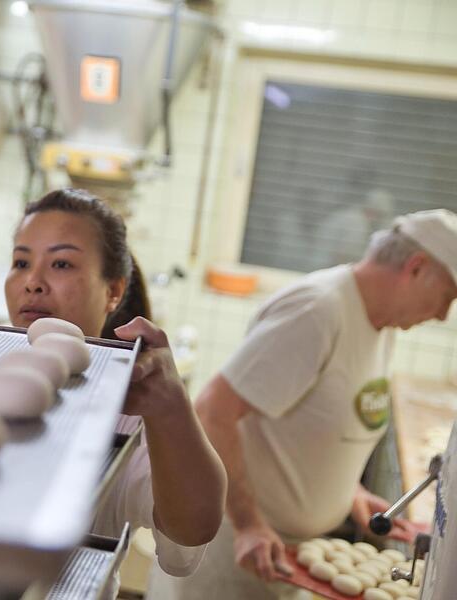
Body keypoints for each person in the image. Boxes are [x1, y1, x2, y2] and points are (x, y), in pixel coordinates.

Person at [148, 209, 457, 600]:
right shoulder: (317, 311)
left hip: (284, 552)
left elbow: (325, 421)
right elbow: (213, 411)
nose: (443, 315)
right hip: (232, 547)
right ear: (416, 268)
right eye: (447, 297)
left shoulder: (380, 322)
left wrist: (349, 492)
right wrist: (248, 524)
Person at [4, 188, 227, 586]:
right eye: (21, 262)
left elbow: (192, 529)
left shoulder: (127, 412)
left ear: (114, 291)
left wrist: (171, 409)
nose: (32, 282)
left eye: (61, 263)